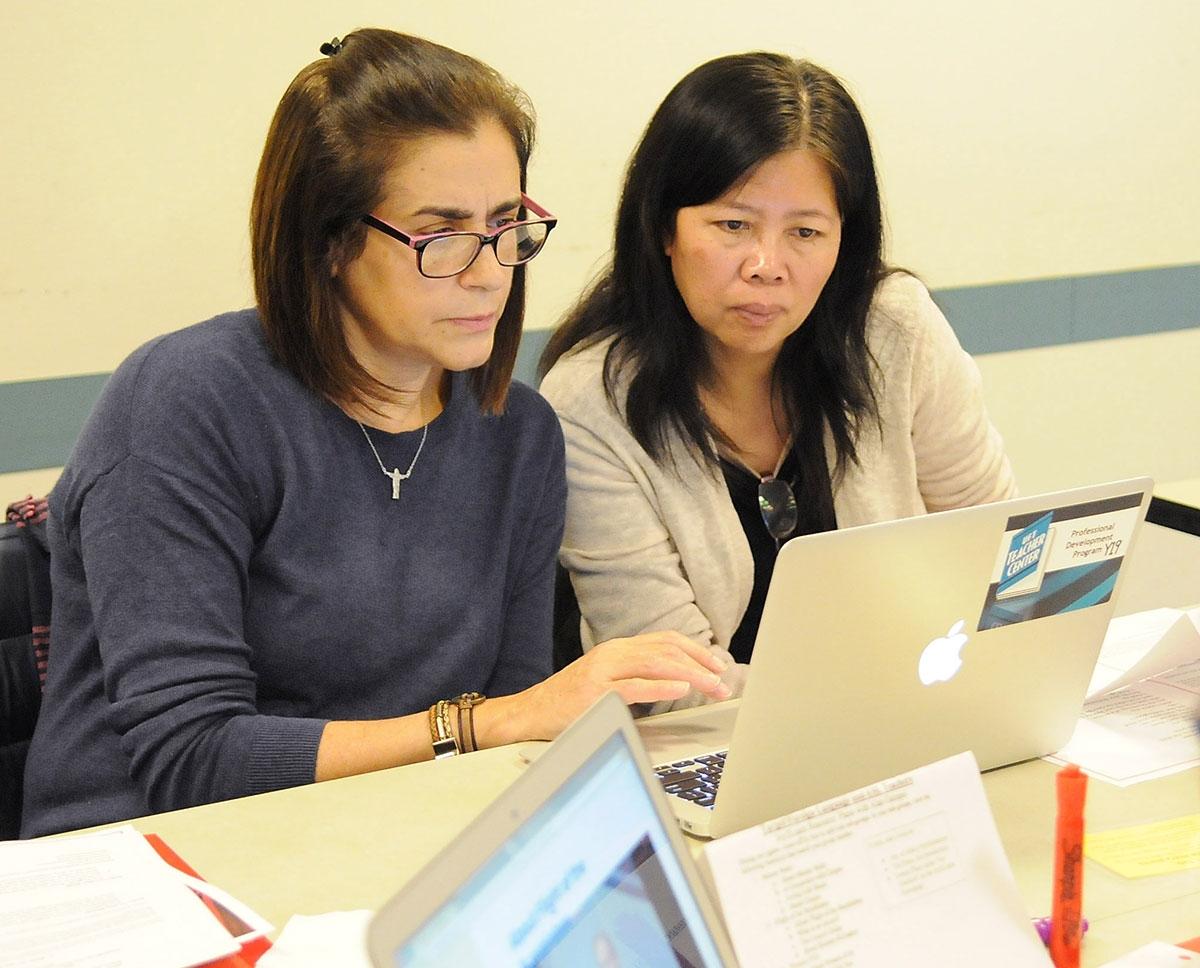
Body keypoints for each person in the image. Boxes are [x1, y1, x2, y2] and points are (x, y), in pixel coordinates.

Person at [20, 29, 728, 838]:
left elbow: (512, 729)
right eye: (442, 236)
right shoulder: (187, 401)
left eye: (506, 225)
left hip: (392, 833)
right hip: (149, 858)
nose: (490, 272)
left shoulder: (519, 433)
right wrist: (486, 724)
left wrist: (514, 730)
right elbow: (191, 757)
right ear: (329, 240)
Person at [539, 52, 1016, 708]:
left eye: (806, 232)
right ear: (663, 227)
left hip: (907, 714)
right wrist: (868, 701)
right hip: (710, 743)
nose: (767, 265)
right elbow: (670, 681)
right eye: (733, 225)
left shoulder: (895, 330)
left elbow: (995, 545)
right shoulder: (590, 402)